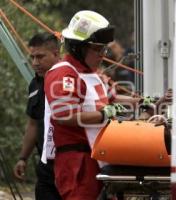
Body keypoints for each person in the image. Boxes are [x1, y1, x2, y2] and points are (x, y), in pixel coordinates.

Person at [43, 10, 121, 200]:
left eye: (104, 49)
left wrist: (141, 102)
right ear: (79, 47)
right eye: (98, 49)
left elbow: (110, 101)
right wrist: (104, 114)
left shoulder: (86, 72)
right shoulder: (64, 74)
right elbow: (64, 116)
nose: (103, 55)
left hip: (95, 159)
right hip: (78, 163)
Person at [13, 33, 61, 200]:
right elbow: (33, 124)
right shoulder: (35, 84)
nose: (35, 63)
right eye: (32, 57)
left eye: (40, 57)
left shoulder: (69, 81)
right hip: (45, 166)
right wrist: (22, 158)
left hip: (69, 163)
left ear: (56, 54)